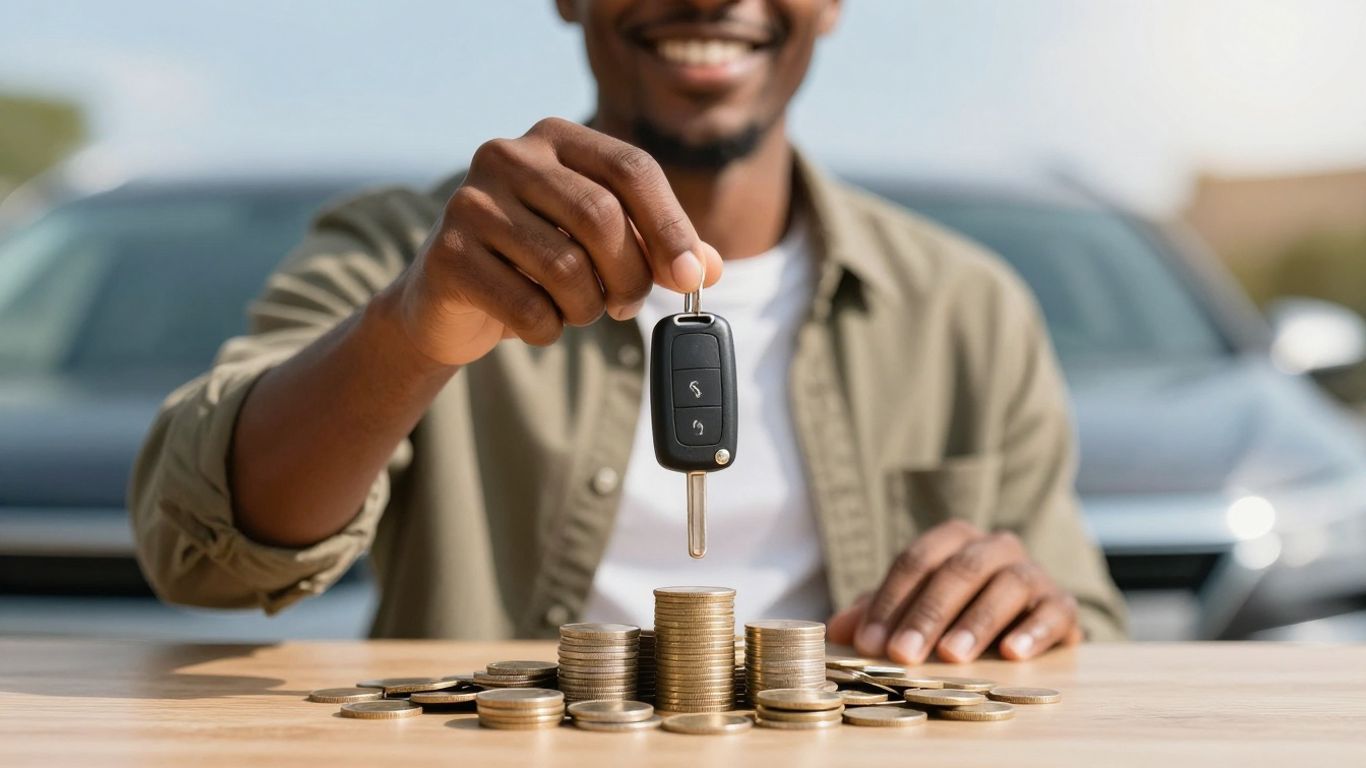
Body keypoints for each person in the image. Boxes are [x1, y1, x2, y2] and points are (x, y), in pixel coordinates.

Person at [129, 0, 1126, 665]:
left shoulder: (966, 307)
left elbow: (1087, 631)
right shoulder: (407, 252)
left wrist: (1025, 610)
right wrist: (405, 334)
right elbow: (198, 555)